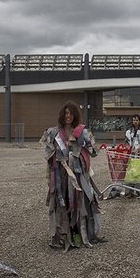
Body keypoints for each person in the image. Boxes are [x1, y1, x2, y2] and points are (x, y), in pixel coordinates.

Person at [41, 100, 103, 250]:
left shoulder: (82, 132)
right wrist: (48, 177)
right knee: (63, 203)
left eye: (71, 113)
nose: (68, 116)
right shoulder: (54, 133)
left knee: (79, 203)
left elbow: (93, 152)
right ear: (62, 115)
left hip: (78, 175)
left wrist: (89, 142)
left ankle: (78, 233)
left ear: (75, 115)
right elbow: (50, 158)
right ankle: (62, 234)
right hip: (60, 175)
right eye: (66, 113)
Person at [123, 114, 140, 198]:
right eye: (134, 120)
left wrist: (139, 150)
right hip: (131, 155)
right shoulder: (128, 131)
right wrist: (129, 149)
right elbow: (126, 142)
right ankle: (130, 191)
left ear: (139, 121)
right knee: (131, 172)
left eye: (136, 120)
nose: (135, 122)